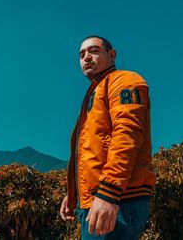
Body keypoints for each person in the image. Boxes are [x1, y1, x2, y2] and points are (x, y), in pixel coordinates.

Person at [60, 36, 156, 239]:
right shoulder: (95, 94)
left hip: (119, 200)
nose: (86, 57)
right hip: (97, 200)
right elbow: (92, 152)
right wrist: (74, 194)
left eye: (93, 51)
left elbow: (127, 135)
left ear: (112, 55)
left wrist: (109, 192)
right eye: (81, 54)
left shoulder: (124, 81)